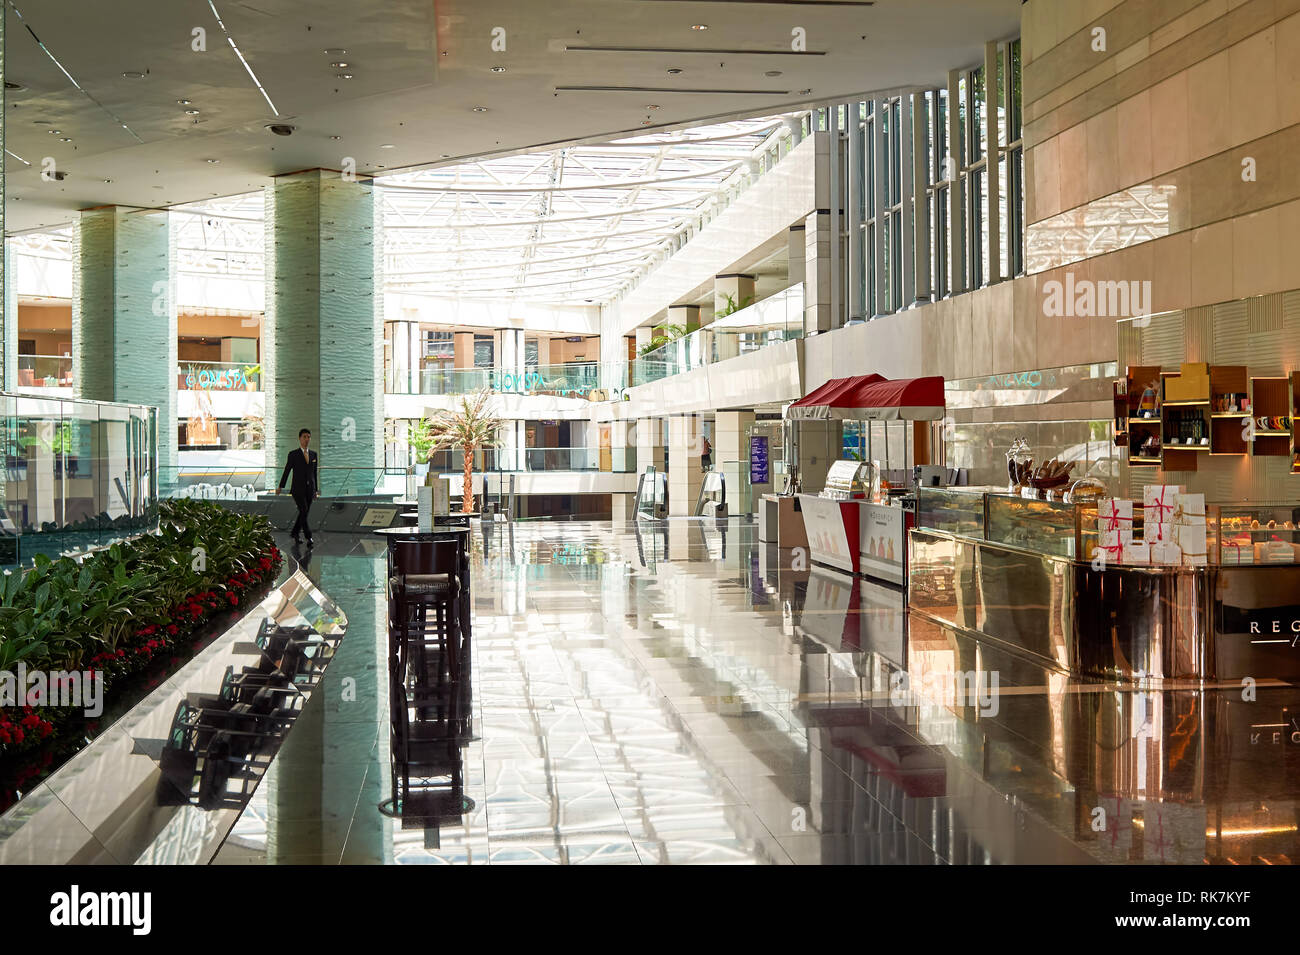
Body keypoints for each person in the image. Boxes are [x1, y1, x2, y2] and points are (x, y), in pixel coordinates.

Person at [277, 428, 318, 545]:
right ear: (300, 438)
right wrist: (281, 486)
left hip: (310, 489)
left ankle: (295, 532)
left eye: (308, 437)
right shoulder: (293, 454)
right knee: (304, 510)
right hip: (297, 489)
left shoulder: (313, 454)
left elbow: (314, 474)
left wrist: (315, 490)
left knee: (303, 512)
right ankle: (308, 536)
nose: (307, 439)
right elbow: (287, 470)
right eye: (304, 437)